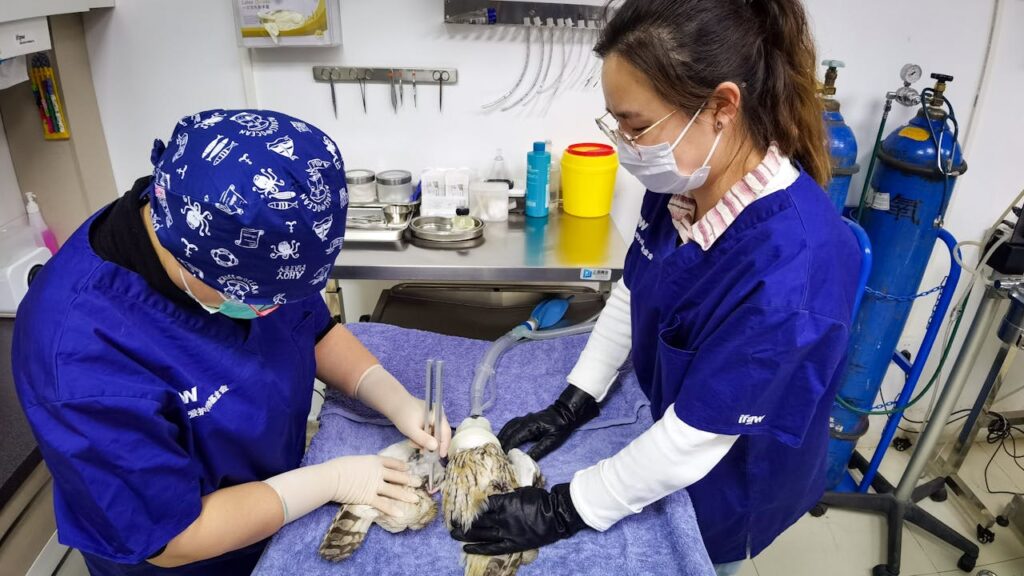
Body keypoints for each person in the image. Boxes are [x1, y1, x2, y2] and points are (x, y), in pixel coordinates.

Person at [449, 1, 861, 574]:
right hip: (666, 432)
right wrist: (576, 400)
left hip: (731, 479)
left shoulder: (796, 270)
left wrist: (564, 508)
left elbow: (697, 437)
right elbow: (637, 288)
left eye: (637, 125)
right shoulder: (683, 184)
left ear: (720, 107)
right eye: (615, 120)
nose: (625, 142)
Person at [13, 109, 451, 576]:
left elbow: (312, 330)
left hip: (277, 503)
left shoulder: (249, 234)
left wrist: (391, 395)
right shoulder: (81, 359)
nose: (268, 310)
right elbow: (172, 536)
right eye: (255, 298)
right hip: (188, 557)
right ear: (194, 260)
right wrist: (331, 480)